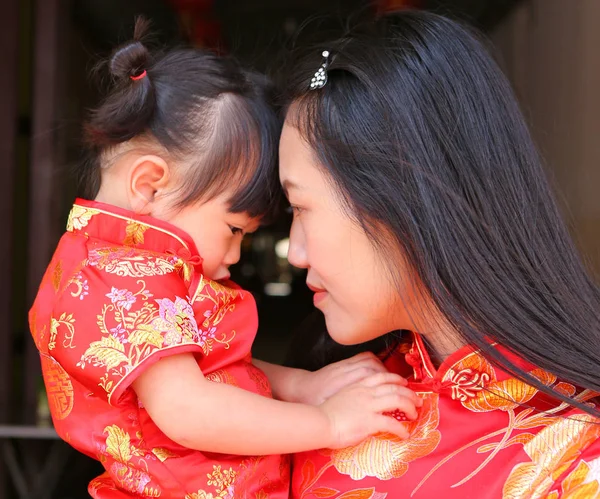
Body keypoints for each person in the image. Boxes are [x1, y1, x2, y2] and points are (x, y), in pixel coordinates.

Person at [28, 21, 421, 499]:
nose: (234, 256)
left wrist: (301, 386)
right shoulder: (112, 278)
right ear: (150, 185)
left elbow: (216, 369)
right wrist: (328, 422)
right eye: (234, 230)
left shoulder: (139, 267)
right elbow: (192, 411)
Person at [279, 10, 600, 498]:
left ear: (402, 196)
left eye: (300, 206)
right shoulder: (331, 387)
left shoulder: (577, 459)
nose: (296, 253)